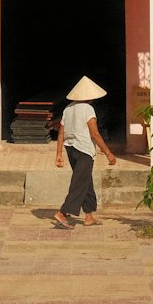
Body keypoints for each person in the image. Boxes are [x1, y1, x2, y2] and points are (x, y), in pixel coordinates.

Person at [53, 75, 116, 229]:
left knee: (86, 180)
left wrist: (59, 154)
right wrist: (108, 152)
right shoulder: (88, 109)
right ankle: (63, 212)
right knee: (80, 182)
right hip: (84, 149)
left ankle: (88, 216)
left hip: (70, 148)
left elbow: (61, 133)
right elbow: (95, 133)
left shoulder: (68, 109)